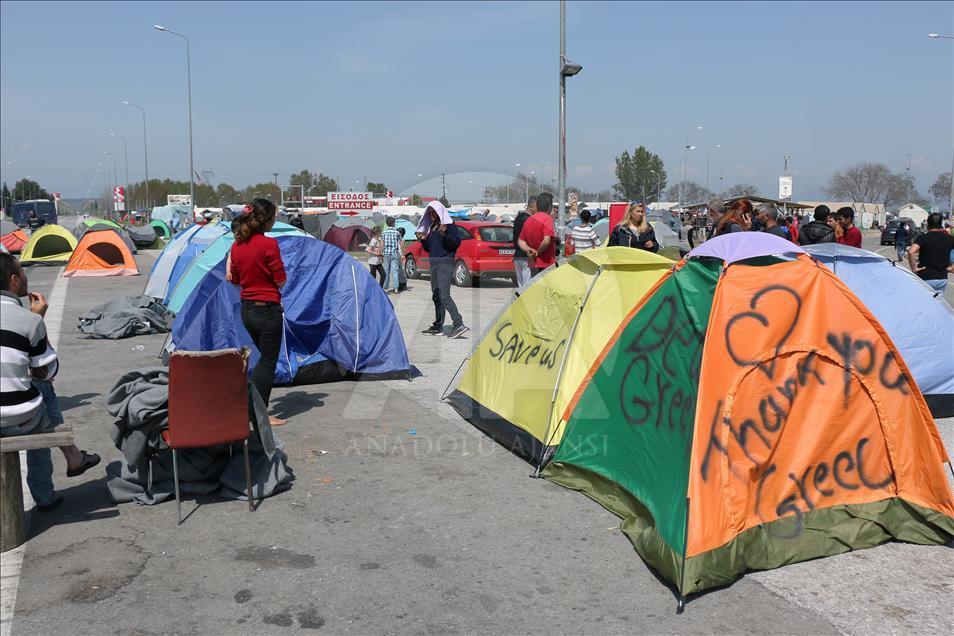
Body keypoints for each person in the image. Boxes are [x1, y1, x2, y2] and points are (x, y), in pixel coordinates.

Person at [0, 253, 100, 512]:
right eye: (22, 272)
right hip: (18, 421)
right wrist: (39, 318)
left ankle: (74, 457)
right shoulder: (29, 320)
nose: (25, 277)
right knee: (42, 392)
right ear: (13, 280)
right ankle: (47, 491)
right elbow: (47, 370)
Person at [227, 198, 287, 426]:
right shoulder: (268, 244)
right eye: (274, 216)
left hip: (247, 310)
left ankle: (250, 407)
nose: (275, 220)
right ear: (266, 220)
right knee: (268, 363)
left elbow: (236, 279)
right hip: (267, 310)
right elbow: (280, 280)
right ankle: (258, 413)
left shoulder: (237, 245)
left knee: (264, 360)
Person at [417, 201, 468, 338]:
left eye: (433, 212)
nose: (431, 215)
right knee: (437, 296)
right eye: (430, 213)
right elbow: (430, 247)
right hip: (434, 263)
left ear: (440, 212)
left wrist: (445, 234)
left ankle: (458, 324)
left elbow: (454, 244)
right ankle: (438, 326)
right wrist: (423, 239)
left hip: (445, 263)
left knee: (444, 295)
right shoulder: (433, 227)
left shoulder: (450, 226)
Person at [908, 212, 954, 295]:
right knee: (938, 304)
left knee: (924, 304)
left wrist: (914, 268)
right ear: (941, 224)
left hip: (926, 277)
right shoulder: (950, 238)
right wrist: (951, 267)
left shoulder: (922, 237)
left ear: (928, 224)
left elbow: (911, 252)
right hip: (942, 278)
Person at [518, 192, 559, 275]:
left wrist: (529, 249)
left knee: (535, 286)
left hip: (533, 264)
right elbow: (546, 241)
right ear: (550, 207)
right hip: (547, 264)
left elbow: (521, 241)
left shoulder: (529, 220)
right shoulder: (547, 219)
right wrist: (537, 252)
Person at [512, 196, 536, 288]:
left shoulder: (518, 217)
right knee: (527, 286)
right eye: (537, 207)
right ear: (531, 207)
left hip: (517, 255)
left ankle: (520, 301)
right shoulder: (530, 219)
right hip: (526, 256)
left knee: (520, 284)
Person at [381, 217, 402, 294]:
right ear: (393, 223)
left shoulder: (384, 232)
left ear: (387, 223)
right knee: (395, 271)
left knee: (386, 271)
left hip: (386, 253)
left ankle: (386, 287)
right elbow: (401, 242)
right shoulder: (397, 232)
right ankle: (396, 288)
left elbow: (382, 243)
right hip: (395, 253)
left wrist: (381, 252)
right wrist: (401, 252)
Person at [397, 228, 409, 292]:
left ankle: (403, 284)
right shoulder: (397, 239)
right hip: (397, 256)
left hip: (401, 256)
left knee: (401, 271)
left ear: (401, 233)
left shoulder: (402, 240)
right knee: (398, 271)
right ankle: (401, 284)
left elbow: (402, 248)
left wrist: (403, 256)